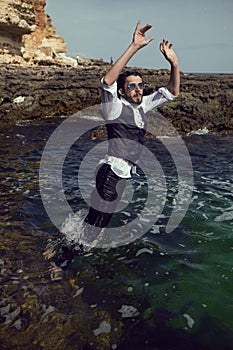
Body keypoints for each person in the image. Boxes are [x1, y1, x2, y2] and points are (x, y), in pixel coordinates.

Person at [82, 20, 180, 246]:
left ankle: (57, 251)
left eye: (140, 85)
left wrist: (174, 63)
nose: (138, 89)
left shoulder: (142, 105)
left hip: (121, 174)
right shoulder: (114, 106)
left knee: (93, 222)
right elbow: (107, 82)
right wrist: (134, 47)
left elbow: (172, 92)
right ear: (121, 91)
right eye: (131, 86)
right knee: (97, 227)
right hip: (111, 173)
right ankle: (61, 266)